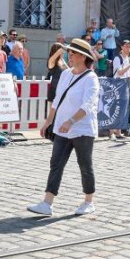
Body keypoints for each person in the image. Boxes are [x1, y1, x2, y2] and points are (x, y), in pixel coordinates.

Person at [28, 38, 100, 217]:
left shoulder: (91, 78)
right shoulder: (66, 74)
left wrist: (72, 121)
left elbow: (88, 105)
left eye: (73, 53)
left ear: (83, 57)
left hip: (82, 129)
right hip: (61, 127)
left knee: (84, 164)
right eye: (70, 52)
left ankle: (88, 201)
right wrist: (48, 122)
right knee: (56, 163)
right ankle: (47, 202)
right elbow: (57, 101)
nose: (70, 55)